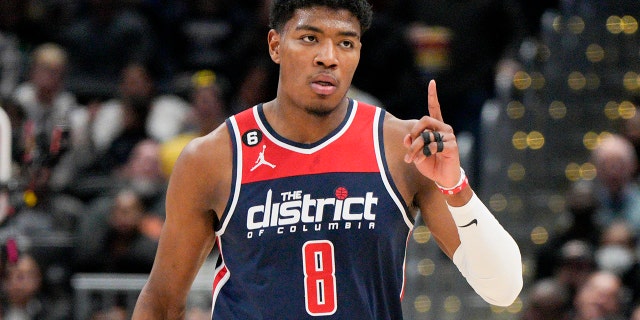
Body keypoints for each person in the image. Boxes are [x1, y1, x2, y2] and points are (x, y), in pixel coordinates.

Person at [132, 1, 523, 318]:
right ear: (275, 45)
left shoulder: (401, 146)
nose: (328, 57)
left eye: (346, 43)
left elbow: (503, 289)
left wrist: (455, 186)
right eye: (309, 38)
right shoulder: (215, 156)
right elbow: (161, 302)